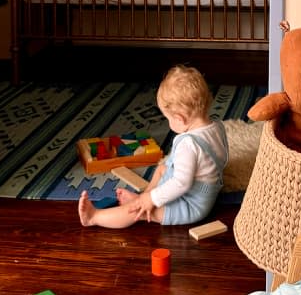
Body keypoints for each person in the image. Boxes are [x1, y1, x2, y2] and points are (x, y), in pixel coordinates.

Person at [78, 65, 229, 228]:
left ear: (180, 119)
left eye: (168, 118)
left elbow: (181, 183)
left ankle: (94, 217)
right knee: (162, 168)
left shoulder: (189, 144)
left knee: (136, 212)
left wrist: (153, 200)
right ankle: (142, 197)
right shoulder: (217, 126)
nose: (169, 122)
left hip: (190, 205)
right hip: (202, 192)